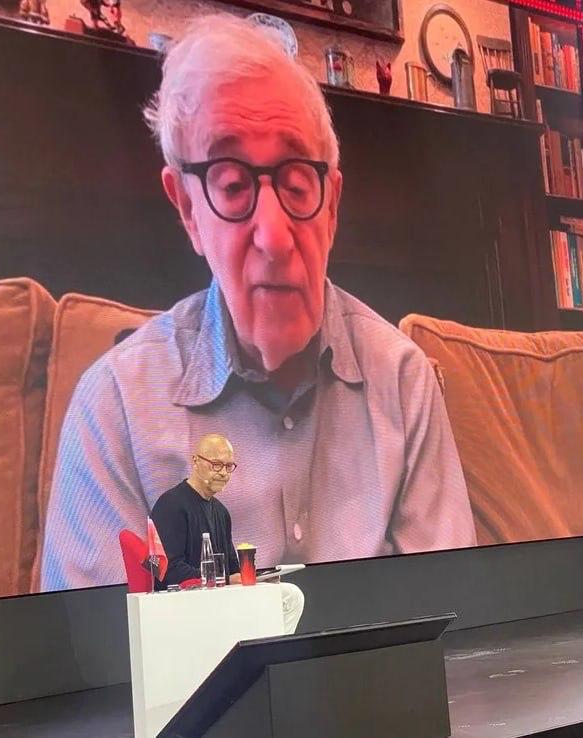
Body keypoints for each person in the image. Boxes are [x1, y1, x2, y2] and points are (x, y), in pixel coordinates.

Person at [40, 13, 476, 593]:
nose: (273, 236)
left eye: (297, 184)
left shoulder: (404, 383)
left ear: (332, 206)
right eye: (231, 185)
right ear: (188, 210)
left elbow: (452, 616)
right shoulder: (114, 409)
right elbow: (98, 647)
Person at [152, 433, 304, 634]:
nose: (223, 473)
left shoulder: (221, 511)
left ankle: (267, 650)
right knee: (289, 596)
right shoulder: (170, 505)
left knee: (289, 595)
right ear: (195, 461)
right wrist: (224, 580)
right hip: (185, 600)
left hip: (219, 595)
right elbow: (169, 571)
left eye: (229, 466)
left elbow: (232, 568)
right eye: (216, 465)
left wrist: (257, 579)